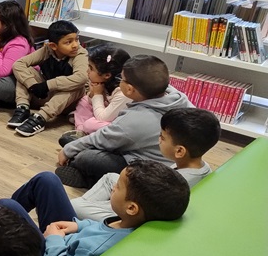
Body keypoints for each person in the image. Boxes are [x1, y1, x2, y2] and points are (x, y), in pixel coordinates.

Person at [0, 160, 190, 256]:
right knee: (47, 180)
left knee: (8, 206)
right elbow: (101, 229)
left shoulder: (96, 249)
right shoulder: (130, 222)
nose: (112, 189)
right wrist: (79, 226)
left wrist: (54, 240)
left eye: (118, 187)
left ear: (132, 208)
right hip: (69, 240)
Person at [56, 55, 192, 188]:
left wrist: (67, 151)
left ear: (129, 89)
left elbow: (103, 137)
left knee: (86, 158)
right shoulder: (178, 96)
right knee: (82, 144)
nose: (119, 81)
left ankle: (91, 179)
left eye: (121, 79)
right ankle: (79, 151)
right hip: (153, 154)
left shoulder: (136, 119)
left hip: (147, 168)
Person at [71, 107, 220, 221]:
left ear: (179, 151)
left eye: (162, 137)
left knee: (75, 206)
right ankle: (83, 206)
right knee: (109, 177)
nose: (159, 139)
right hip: (141, 198)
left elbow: (140, 206)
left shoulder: (177, 183)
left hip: (132, 215)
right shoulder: (200, 167)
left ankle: (78, 211)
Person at [8, 20, 88, 137]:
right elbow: (18, 64)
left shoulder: (80, 54)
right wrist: (33, 86)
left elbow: (81, 78)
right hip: (47, 95)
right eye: (69, 42)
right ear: (53, 46)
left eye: (77, 39)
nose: (75, 45)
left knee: (77, 86)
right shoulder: (47, 50)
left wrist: (47, 85)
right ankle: (23, 107)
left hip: (68, 102)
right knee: (26, 73)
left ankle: (41, 118)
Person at [59, 44, 131, 147]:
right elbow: (90, 101)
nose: (87, 71)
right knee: (84, 101)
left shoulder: (122, 93)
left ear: (107, 75)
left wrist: (97, 94)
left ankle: (86, 134)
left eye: (91, 68)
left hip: (118, 122)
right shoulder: (102, 82)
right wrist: (93, 94)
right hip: (107, 112)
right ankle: (80, 132)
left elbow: (103, 118)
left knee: (90, 124)